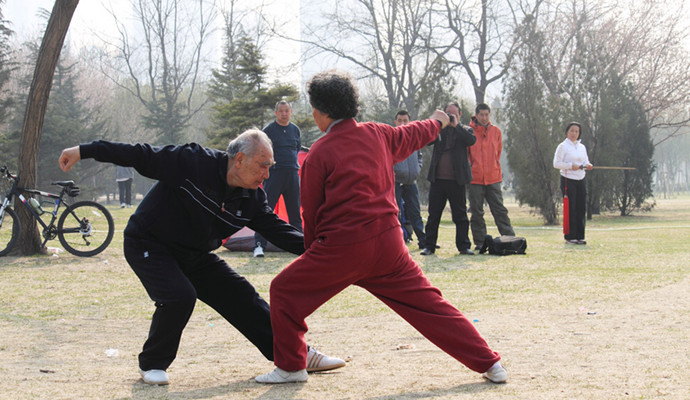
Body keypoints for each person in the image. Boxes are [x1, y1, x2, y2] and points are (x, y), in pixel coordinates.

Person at [255, 70, 507, 385]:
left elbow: (311, 210)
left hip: (342, 248)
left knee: (283, 291)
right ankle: (491, 364)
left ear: (323, 113)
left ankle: (291, 367)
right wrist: (438, 121)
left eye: (314, 109)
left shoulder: (320, 152)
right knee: (430, 306)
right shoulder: (378, 133)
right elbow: (416, 132)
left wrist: (313, 250)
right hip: (389, 247)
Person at [58, 130, 344, 386]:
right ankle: (152, 364)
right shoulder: (191, 162)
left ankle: (296, 355)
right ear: (240, 159)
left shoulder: (253, 199)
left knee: (240, 295)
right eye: (263, 165)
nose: (267, 175)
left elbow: (281, 232)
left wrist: (325, 249)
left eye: (270, 167)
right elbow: (138, 153)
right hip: (148, 242)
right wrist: (84, 150)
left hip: (194, 253)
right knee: (180, 295)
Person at [420, 102, 477, 256]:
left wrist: (456, 126)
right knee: (434, 215)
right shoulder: (439, 130)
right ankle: (429, 246)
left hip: (456, 181)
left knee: (460, 215)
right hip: (437, 180)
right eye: (448, 114)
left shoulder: (465, 130)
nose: (451, 117)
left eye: (454, 114)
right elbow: (427, 140)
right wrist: (438, 123)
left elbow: (471, 140)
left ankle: (464, 246)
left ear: (460, 115)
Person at [253, 100, 303, 258]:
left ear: (291, 112)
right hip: (274, 174)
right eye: (281, 111)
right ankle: (259, 246)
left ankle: (300, 245)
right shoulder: (269, 130)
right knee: (265, 211)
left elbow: (297, 148)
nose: (284, 113)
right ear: (276, 113)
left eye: (286, 110)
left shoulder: (295, 129)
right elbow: (261, 151)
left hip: (292, 175)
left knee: (295, 213)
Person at [467, 103, 515, 250]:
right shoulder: (469, 132)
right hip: (474, 179)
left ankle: (510, 239)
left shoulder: (496, 131)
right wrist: (473, 167)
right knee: (476, 211)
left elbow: (498, 153)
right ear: (476, 115)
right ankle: (480, 242)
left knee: (499, 209)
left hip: (493, 177)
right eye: (481, 115)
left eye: (487, 115)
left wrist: (493, 167)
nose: (484, 118)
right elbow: (467, 154)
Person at [553, 121, 593, 244]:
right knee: (571, 207)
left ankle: (580, 236)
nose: (574, 133)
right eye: (572, 131)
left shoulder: (582, 147)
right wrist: (571, 166)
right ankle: (570, 236)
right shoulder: (562, 146)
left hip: (581, 179)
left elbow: (585, 162)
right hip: (568, 179)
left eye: (576, 131)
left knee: (581, 207)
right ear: (567, 132)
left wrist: (588, 165)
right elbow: (556, 164)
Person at [392, 110, 426, 249]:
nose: (402, 123)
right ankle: (398, 241)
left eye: (405, 120)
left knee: (415, 211)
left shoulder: (414, 138)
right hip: (395, 181)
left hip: (411, 181)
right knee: (396, 212)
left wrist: (418, 169)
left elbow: (420, 157)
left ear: (409, 121)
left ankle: (423, 240)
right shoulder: (391, 138)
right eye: (399, 120)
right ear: (395, 122)